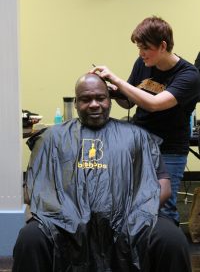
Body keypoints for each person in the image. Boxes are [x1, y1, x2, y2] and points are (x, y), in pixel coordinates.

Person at [12, 74, 191, 272]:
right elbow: (34, 187)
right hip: (64, 223)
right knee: (29, 239)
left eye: (100, 98)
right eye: (86, 99)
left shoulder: (137, 136)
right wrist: (66, 215)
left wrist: (136, 215)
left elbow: (162, 183)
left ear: (110, 99)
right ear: (77, 102)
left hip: (130, 221)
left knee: (172, 239)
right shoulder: (52, 138)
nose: (94, 104)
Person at [89, 16, 200, 224]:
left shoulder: (189, 75)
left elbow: (154, 103)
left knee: (163, 207)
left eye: (145, 48)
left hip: (169, 150)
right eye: (139, 48)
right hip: (139, 145)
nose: (141, 53)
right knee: (134, 202)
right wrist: (110, 90)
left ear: (163, 46)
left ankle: (167, 251)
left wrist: (118, 80)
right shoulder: (143, 63)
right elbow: (130, 102)